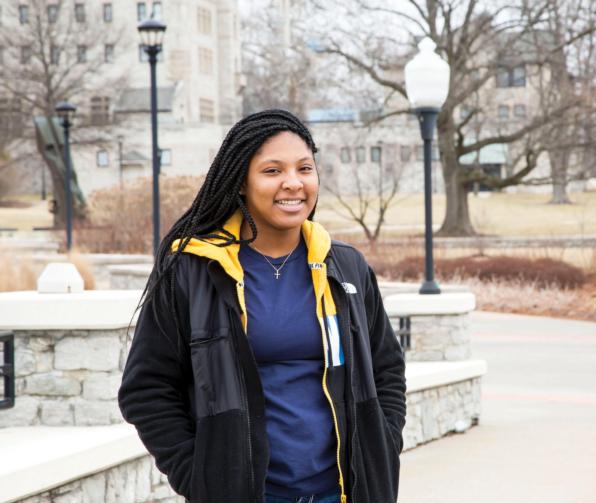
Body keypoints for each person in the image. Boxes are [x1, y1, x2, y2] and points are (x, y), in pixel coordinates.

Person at [118, 109, 406, 503]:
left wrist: (383, 447)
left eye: (304, 168)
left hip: (345, 492)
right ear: (241, 182)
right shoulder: (193, 270)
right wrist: (201, 478)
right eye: (272, 171)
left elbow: (386, 368)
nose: (293, 183)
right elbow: (146, 389)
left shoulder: (346, 267)